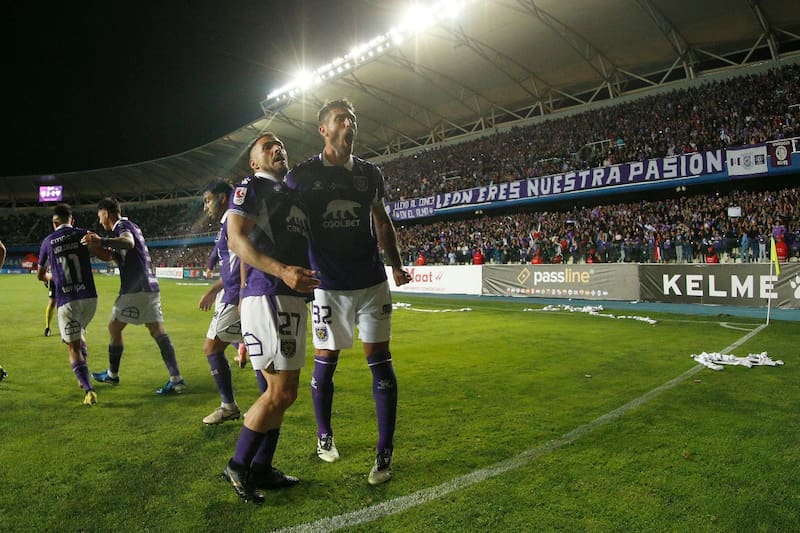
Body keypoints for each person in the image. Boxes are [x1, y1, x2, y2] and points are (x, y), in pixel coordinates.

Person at [285, 98, 411, 485]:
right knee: (327, 359)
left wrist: (395, 263)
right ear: (324, 130)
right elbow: (287, 224)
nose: (350, 125)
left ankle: (384, 452)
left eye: (353, 119)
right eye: (342, 119)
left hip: (371, 282)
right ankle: (325, 436)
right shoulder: (301, 176)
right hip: (328, 287)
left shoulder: (370, 174)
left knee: (381, 361)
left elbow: (382, 219)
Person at [222, 132, 320, 503]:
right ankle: (238, 464)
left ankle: (262, 467)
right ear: (254, 161)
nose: (278, 149)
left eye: (280, 145)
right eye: (268, 147)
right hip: (267, 295)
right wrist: (281, 272)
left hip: (290, 297)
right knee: (278, 391)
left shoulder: (293, 196)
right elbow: (236, 239)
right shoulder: (251, 187)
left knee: (284, 392)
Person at [81, 197, 185, 395]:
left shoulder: (123, 226)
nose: (100, 220)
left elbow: (128, 243)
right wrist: (94, 244)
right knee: (157, 331)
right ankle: (177, 380)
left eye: (100, 215)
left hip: (135, 289)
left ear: (107, 212)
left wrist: (101, 240)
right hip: (149, 286)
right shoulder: (125, 229)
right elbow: (111, 257)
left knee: (114, 326)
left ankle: (112, 374)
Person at [37, 203, 101, 405]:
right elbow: (100, 248)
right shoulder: (83, 233)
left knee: (72, 347)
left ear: (54, 222)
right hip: (90, 299)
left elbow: (41, 275)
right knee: (78, 335)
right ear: (71, 220)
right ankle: (84, 378)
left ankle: (89, 390)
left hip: (67, 300)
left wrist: (51, 275)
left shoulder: (48, 241)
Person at [197, 179, 244, 425]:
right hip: (236, 292)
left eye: (207, 200)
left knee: (212, 348)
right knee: (257, 353)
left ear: (222, 198)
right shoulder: (229, 222)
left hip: (235, 294)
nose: (206, 207)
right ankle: (271, 401)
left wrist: (217, 290)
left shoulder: (232, 220)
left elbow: (237, 267)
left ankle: (229, 406)